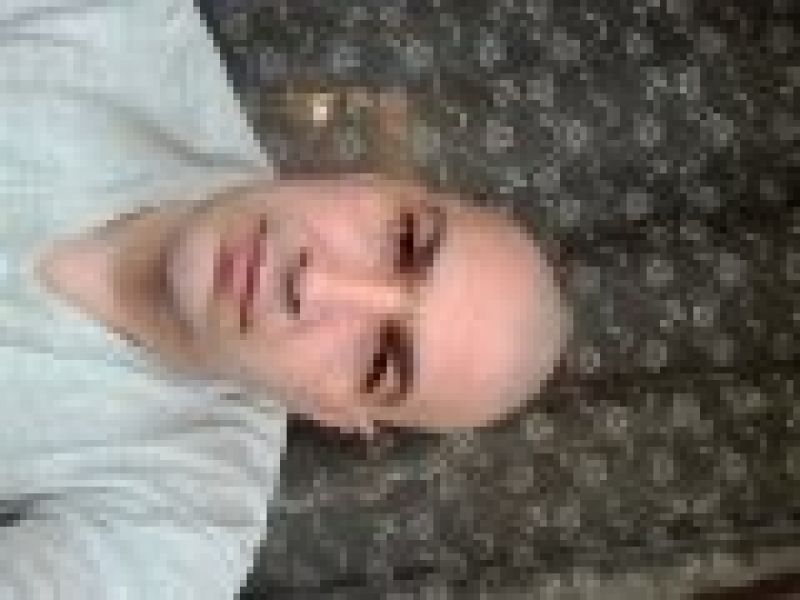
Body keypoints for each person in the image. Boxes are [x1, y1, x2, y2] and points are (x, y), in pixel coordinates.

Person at [0, 0, 568, 598]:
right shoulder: (117, 22)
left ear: (333, 414)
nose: (312, 285)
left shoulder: (185, 530)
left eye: (379, 361)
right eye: (403, 241)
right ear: (370, 179)